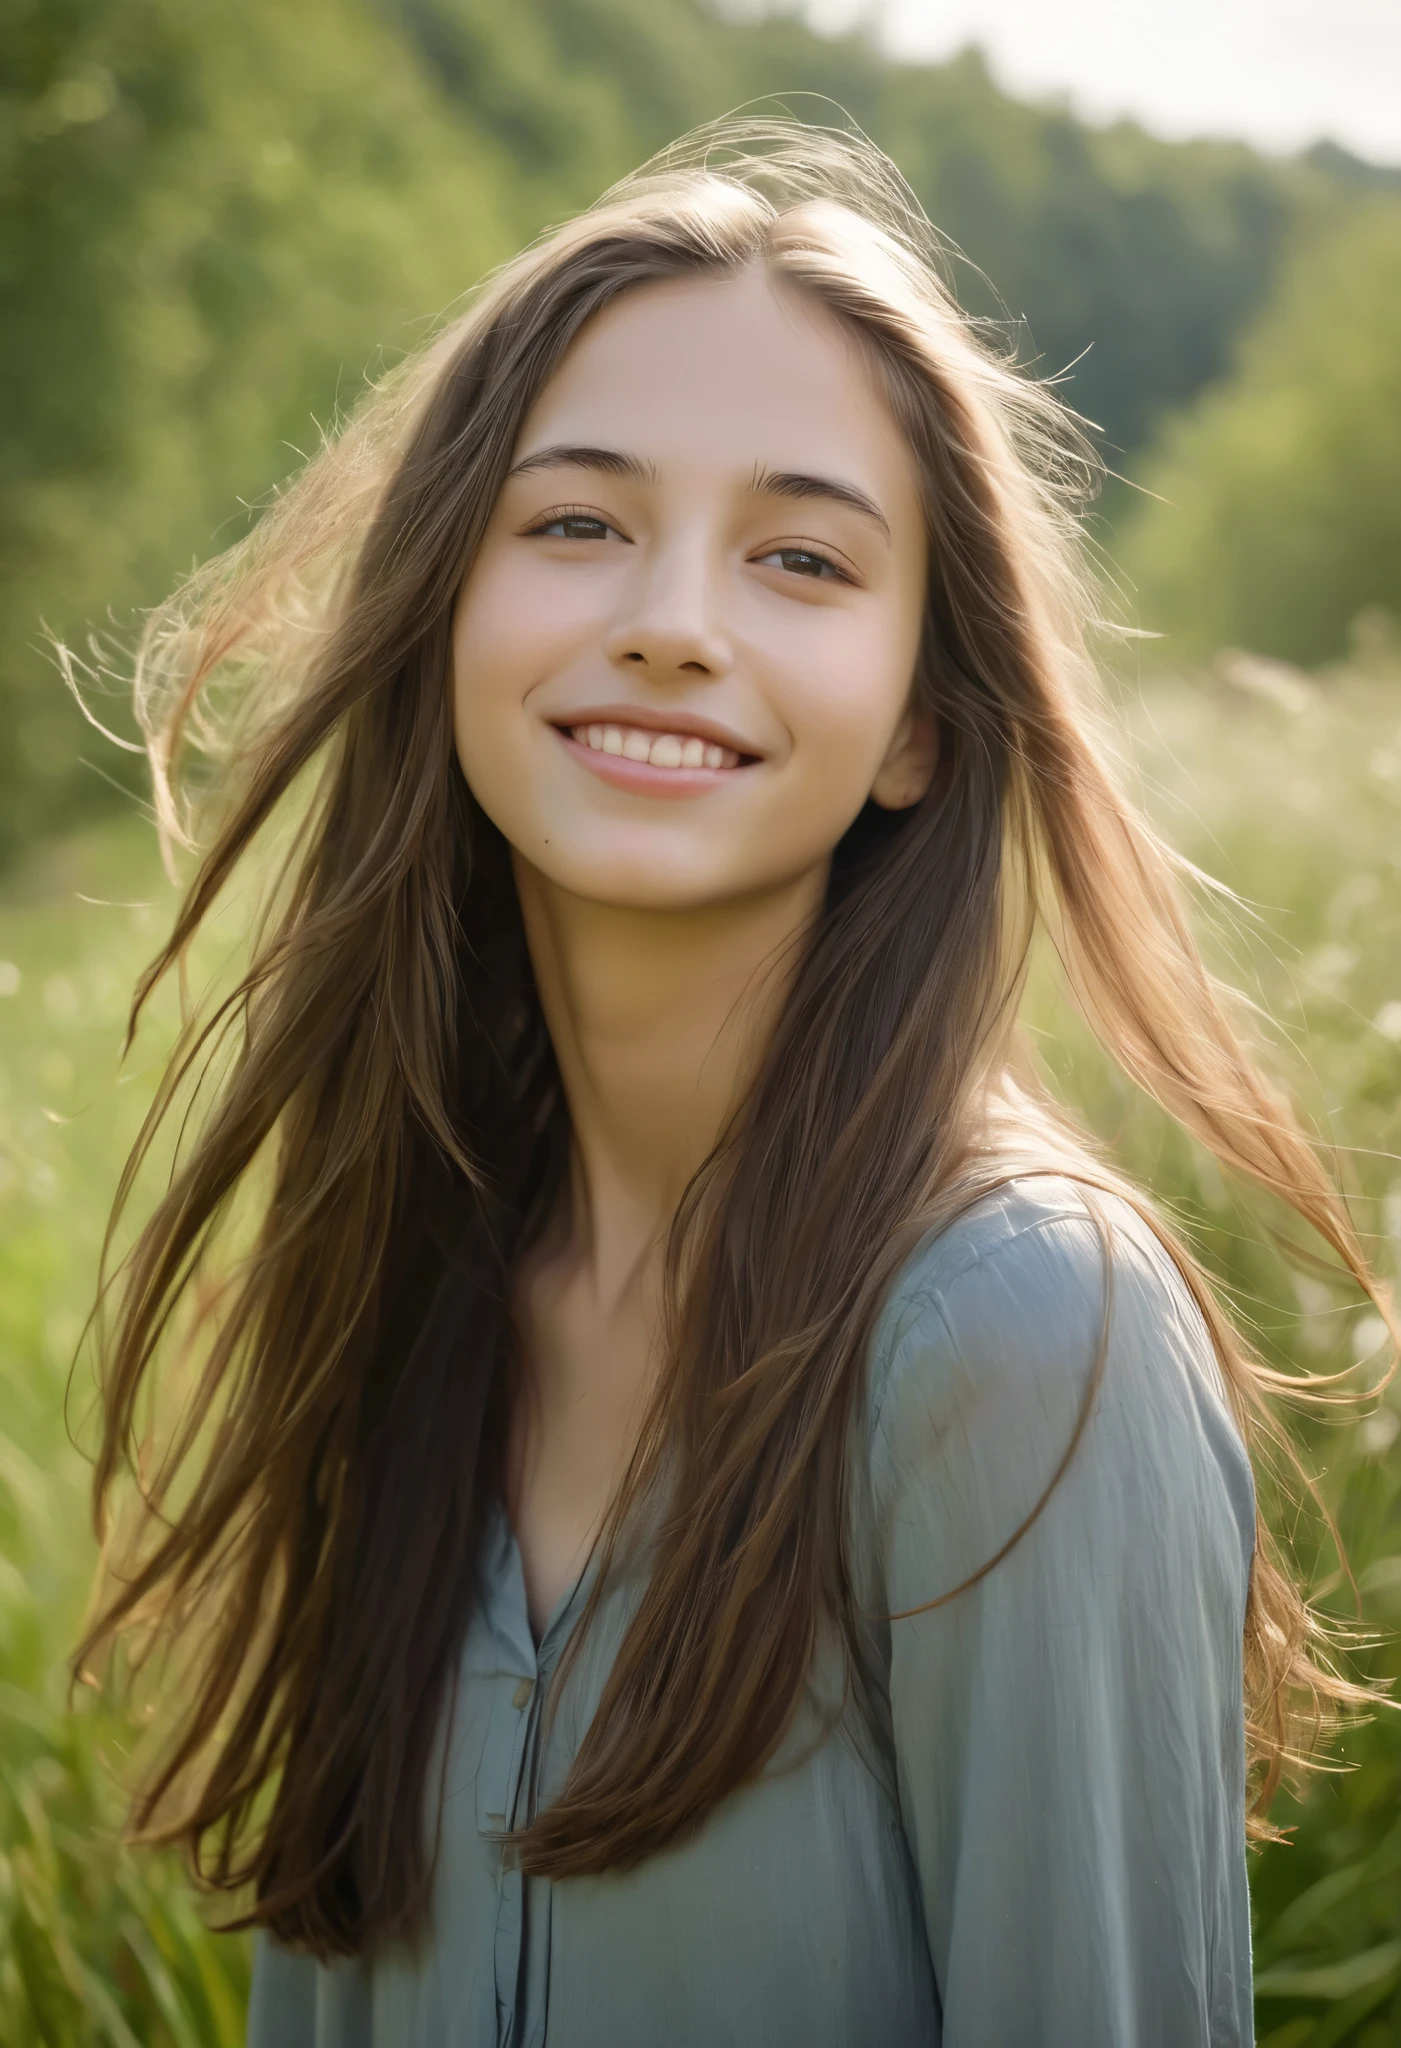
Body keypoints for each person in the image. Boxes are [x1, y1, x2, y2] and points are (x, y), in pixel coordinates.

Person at [77, 120, 1384, 2046]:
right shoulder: (415, 1273)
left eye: (800, 557)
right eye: (579, 522)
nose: (674, 618)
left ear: (920, 728)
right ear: (450, 614)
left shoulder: (1022, 1337)